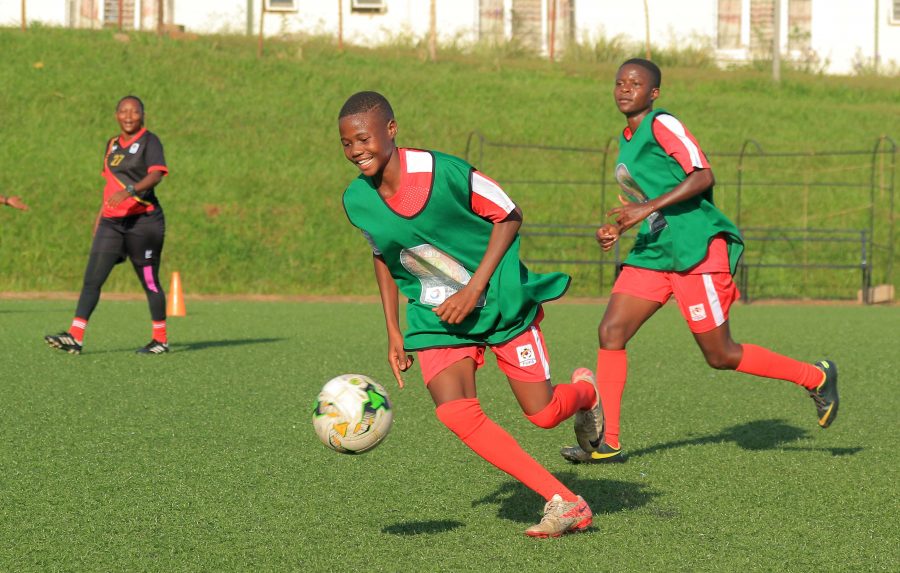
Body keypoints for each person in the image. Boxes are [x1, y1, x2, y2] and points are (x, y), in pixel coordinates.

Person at [339, 91, 604, 538]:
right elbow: (384, 256)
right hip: (435, 310)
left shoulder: (445, 172)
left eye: (362, 138)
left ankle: (585, 395)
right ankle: (565, 501)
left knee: (540, 414)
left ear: (390, 129)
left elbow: (509, 214)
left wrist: (474, 288)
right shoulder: (356, 201)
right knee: (455, 412)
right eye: (346, 144)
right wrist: (392, 331)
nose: (355, 151)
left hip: (498, 298)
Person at [561, 59, 839, 465]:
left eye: (635, 84)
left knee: (720, 354)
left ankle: (816, 377)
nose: (624, 89)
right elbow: (650, 203)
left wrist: (647, 207)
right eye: (619, 82)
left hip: (696, 251)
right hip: (655, 251)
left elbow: (703, 175)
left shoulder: (662, 123)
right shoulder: (627, 139)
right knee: (611, 331)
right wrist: (621, 226)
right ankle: (607, 441)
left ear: (653, 93)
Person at [45, 95, 170, 355]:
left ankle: (160, 339)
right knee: (92, 279)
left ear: (142, 115)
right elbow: (110, 187)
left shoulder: (150, 141)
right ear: (116, 115)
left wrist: (131, 190)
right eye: (123, 111)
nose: (128, 116)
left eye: (134, 112)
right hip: (111, 224)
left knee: (149, 281)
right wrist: (99, 219)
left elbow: (156, 174)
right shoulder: (112, 145)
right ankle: (75, 337)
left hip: (144, 223)